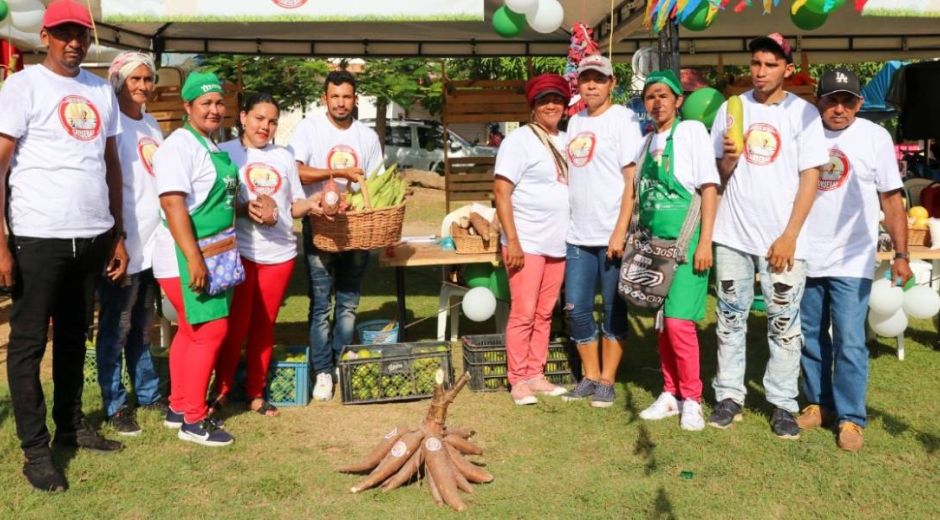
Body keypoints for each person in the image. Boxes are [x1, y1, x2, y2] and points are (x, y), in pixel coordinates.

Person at [0, 0, 127, 492]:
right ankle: (36, 451)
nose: (74, 41)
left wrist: (117, 232)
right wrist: (3, 243)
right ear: (45, 37)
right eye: (63, 33)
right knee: (29, 345)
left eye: (81, 33)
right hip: (37, 236)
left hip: (92, 234)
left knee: (77, 337)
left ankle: (71, 426)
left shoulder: (100, 90)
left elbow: (112, 163)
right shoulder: (22, 86)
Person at [707, 33, 828, 439]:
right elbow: (717, 177)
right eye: (756, 63)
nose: (760, 72)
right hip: (733, 234)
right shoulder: (732, 108)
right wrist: (728, 158)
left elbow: (811, 177)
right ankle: (729, 395)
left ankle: (782, 403)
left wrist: (790, 235)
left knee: (784, 323)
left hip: (783, 238)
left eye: (770, 64)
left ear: (787, 70)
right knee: (729, 318)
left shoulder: (804, 114)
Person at [797, 69, 911, 452]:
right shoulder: (804, 133)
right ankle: (818, 403)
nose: (840, 108)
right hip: (806, 254)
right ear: (819, 101)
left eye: (848, 101)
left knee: (848, 339)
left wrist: (901, 254)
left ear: (860, 104)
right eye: (832, 100)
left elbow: (892, 199)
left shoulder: (874, 137)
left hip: (851, 256)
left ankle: (850, 417)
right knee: (809, 336)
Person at [616, 71, 720, 431]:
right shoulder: (644, 144)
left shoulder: (692, 133)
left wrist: (705, 241)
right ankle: (670, 393)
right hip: (652, 245)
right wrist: (625, 236)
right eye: (650, 97)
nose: (657, 102)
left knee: (678, 323)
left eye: (664, 95)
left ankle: (692, 398)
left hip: (686, 243)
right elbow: (632, 193)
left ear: (678, 100)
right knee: (661, 326)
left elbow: (708, 188)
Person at [212, 93, 323, 416]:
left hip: (280, 256)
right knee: (234, 326)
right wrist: (248, 210)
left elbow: (294, 205)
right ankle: (222, 390)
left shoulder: (284, 157)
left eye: (272, 121)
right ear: (243, 117)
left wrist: (312, 206)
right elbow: (218, 205)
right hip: (241, 253)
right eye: (259, 118)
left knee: (264, 326)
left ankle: (256, 393)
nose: (266, 126)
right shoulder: (225, 154)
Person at [152, 71, 238, 447]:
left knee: (190, 332)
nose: (214, 109)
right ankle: (194, 420)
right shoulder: (179, 147)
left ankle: (179, 406)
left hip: (211, 253)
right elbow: (172, 204)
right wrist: (194, 259)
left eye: (219, 102)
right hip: (187, 254)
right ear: (187, 107)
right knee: (210, 331)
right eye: (205, 103)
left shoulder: (209, 144)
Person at [289, 70, 383, 402]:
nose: (341, 102)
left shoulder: (367, 136)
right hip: (320, 227)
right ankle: (323, 371)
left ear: (355, 99)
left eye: (347, 96)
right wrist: (337, 173)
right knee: (320, 305)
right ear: (324, 98)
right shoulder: (309, 128)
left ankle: (341, 359)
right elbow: (295, 169)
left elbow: (374, 183)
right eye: (335, 96)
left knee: (348, 302)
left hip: (355, 229)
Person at [560, 54, 643, 408]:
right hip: (578, 233)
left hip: (611, 233)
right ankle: (589, 375)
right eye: (585, 79)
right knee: (576, 307)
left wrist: (620, 231)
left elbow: (631, 181)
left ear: (612, 83)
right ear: (577, 84)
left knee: (612, 310)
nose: (591, 85)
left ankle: (608, 379)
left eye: (599, 79)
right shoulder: (575, 122)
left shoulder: (623, 120)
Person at [95, 51, 166, 437]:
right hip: (123, 244)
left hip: (154, 244)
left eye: (147, 79)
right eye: (135, 79)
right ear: (118, 81)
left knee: (142, 325)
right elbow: (108, 184)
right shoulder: (112, 125)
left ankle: (148, 391)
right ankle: (114, 402)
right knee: (115, 326)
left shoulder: (153, 125)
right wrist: (115, 239)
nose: (142, 86)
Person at [493, 74, 571, 406]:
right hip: (527, 240)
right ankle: (518, 378)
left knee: (544, 312)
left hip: (560, 242)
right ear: (533, 107)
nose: (551, 105)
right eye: (543, 100)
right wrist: (513, 240)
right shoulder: (519, 141)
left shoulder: (569, 140)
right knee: (523, 312)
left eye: (556, 99)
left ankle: (536, 373)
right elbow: (501, 191)